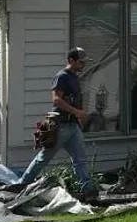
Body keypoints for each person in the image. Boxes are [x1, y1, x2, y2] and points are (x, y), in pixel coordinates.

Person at [15, 47, 96, 198]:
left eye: (84, 62)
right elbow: (56, 100)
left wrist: (79, 116)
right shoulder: (62, 76)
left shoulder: (75, 78)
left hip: (73, 126)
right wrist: (76, 112)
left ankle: (87, 189)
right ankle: (22, 184)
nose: (83, 65)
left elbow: (75, 100)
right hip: (60, 125)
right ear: (71, 60)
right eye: (80, 62)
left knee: (80, 159)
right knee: (43, 158)